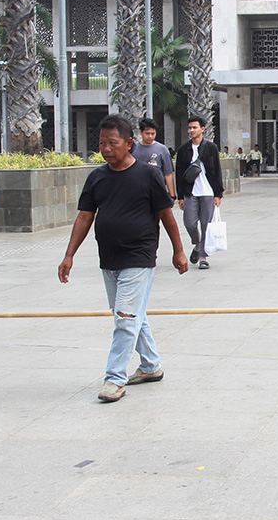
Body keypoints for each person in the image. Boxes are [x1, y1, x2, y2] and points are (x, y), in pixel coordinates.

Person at [58, 115, 189, 402]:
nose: (106, 148)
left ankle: (114, 379)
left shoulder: (147, 175)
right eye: (102, 143)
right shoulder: (97, 177)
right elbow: (84, 217)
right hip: (109, 258)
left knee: (125, 318)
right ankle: (151, 366)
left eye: (112, 143)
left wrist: (178, 250)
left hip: (139, 256)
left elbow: (166, 215)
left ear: (129, 143)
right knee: (129, 314)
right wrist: (69, 255)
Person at [175, 115, 224, 271]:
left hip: (208, 192)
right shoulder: (184, 150)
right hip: (191, 192)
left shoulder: (211, 148)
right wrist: (180, 196)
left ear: (202, 129)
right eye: (190, 128)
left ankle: (203, 257)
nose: (191, 130)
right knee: (189, 222)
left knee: (206, 225)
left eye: (195, 127)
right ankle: (197, 243)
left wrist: (218, 194)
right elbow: (179, 174)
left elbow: (217, 171)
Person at [132, 117, 176, 199]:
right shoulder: (133, 149)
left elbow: (168, 174)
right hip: (138, 192)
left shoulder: (162, 149)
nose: (150, 136)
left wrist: (172, 195)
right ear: (141, 132)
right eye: (147, 133)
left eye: (153, 133)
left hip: (157, 191)